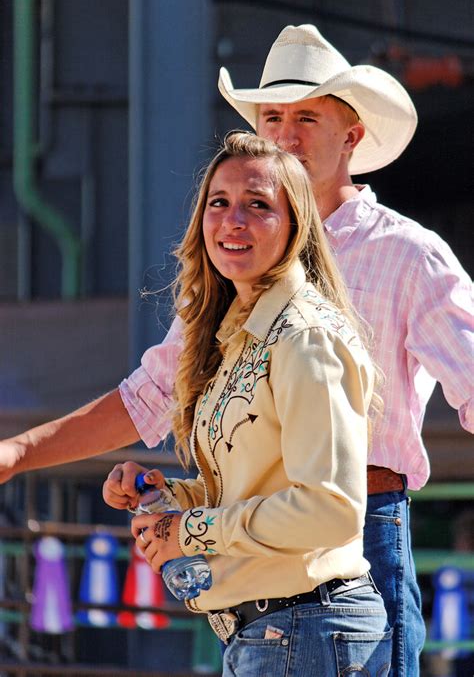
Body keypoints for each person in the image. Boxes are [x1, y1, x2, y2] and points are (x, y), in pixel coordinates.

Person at [1, 23, 472, 675]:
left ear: (352, 137)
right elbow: (152, 394)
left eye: (308, 115)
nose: (285, 133)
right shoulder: (239, 281)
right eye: (273, 115)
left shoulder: (406, 257)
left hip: (350, 540)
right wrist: (20, 453)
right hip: (263, 560)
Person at [104, 130, 392, 676]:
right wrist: (168, 494)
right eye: (220, 203)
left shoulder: (304, 336)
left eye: (258, 205)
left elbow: (328, 508)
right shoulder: (241, 334)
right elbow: (255, 488)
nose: (233, 220)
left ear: (295, 226)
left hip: (305, 630)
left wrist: (188, 530)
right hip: (280, 633)